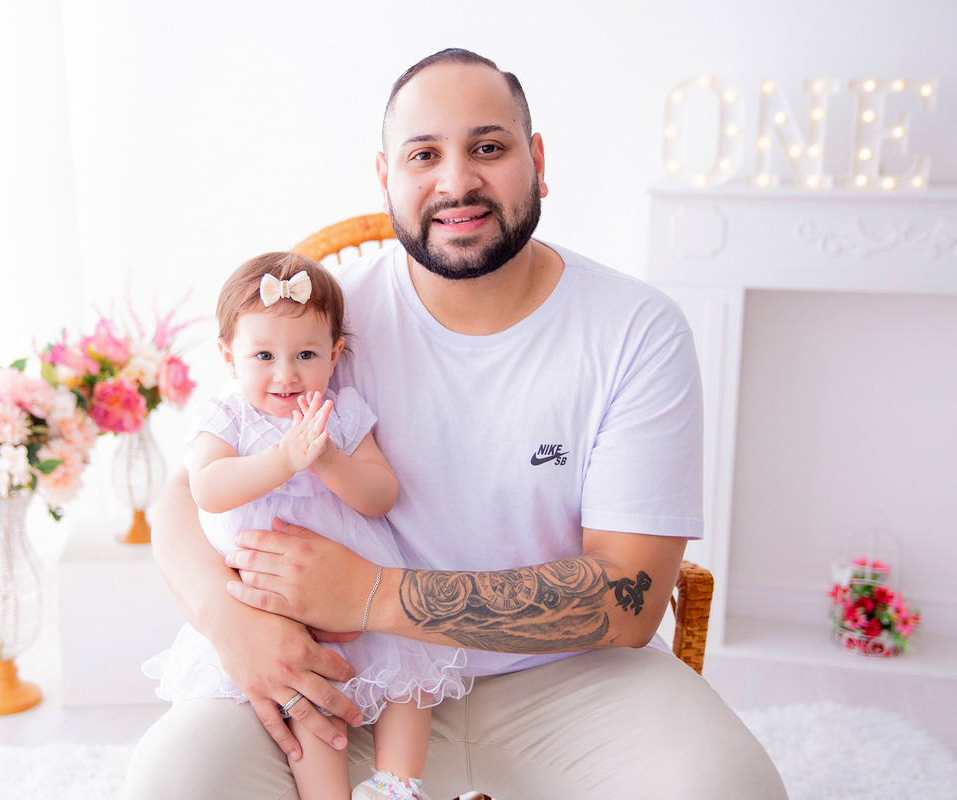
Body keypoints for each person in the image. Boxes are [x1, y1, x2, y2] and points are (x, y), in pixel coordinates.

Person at [124, 49, 788, 799]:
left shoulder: (636, 330)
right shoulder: (323, 323)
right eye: (423, 155)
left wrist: (372, 592)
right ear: (386, 180)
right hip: (351, 673)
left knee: (729, 788)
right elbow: (188, 490)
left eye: (488, 147)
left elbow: (630, 594)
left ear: (535, 160)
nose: (456, 182)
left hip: (570, 679)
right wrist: (226, 620)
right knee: (170, 781)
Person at [142, 252, 470, 800]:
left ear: (335, 354)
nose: (285, 373)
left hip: (358, 592)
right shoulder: (227, 417)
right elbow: (208, 489)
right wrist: (284, 460)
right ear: (229, 356)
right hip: (271, 600)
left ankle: (397, 786)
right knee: (311, 709)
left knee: (412, 680)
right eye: (264, 355)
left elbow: (380, 494)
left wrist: (329, 463)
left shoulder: (339, 413)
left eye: (306, 354)